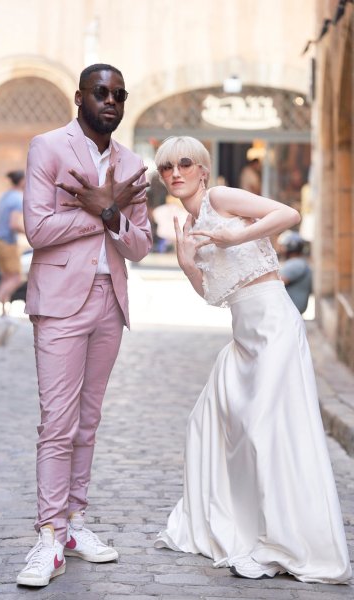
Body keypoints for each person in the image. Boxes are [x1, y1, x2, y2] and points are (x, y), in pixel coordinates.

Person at [153, 136, 351, 584]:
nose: (175, 173)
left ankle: (284, 543)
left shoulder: (221, 197)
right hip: (242, 337)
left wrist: (236, 233)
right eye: (167, 167)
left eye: (185, 163)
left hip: (274, 326)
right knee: (206, 422)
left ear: (203, 170)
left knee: (266, 429)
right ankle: (243, 525)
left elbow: (289, 214)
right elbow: (214, 294)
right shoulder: (189, 223)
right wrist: (188, 264)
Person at [17, 64, 152, 587]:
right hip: (58, 303)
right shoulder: (47, 147)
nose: (112, 101)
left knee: (88, 422)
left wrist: (115, 213)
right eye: (102, 93)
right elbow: (38, 229)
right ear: (80, 97)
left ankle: (74, 523)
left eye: (119, 93)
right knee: (58, 422)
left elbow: (139, 246)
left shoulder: (133, 164)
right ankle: (48, 534)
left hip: (108, 303)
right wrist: (100, 209)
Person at [0, 170, 25, 318]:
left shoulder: (5, 196)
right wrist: (30, 233)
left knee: (6, 278)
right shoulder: (17, 198)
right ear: (21, 181)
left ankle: (3, 314)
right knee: (16, 278)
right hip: (8, 242)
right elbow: (14, 224)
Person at [277, 230, 312, 314]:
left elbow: (277, 283)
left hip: (290, 309)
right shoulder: (299, 262)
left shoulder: (295, 264)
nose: (281, 249)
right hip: (292, 309)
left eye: (283, 246)